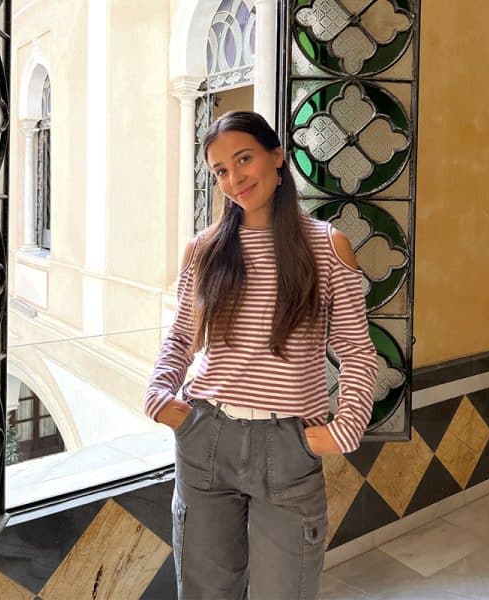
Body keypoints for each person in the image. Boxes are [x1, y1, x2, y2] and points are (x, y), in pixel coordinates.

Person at [144, 110, 378, 599]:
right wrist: (161, 397)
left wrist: (344, 428)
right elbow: (182, 336)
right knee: (207, 591)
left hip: (288, 446)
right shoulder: (204, 249)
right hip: (206, 436)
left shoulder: (327, 246)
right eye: (220, 171)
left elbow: (356, 350)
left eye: (243, 159)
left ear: (276, 156)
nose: (233, 179)